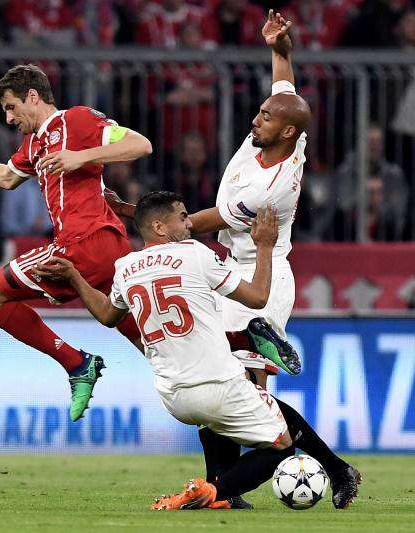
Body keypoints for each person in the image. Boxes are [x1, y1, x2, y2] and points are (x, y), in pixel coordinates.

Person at [110, 11, 359, 509]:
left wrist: (141, 216)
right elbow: (285, 89)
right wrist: (280, 50)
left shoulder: (269, 189)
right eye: (260, 112)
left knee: (243, 389)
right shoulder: (285, 133)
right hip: (229, 267)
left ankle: (333, 469)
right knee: (217, 378)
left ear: (287, 132)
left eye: (265, 117)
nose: (255, 120)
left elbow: (195, 224)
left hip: (262, 273)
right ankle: (226, 487)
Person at [35, 191, 360, 510]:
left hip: (174, 398)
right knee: (282, 445)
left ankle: (225, 484)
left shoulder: (125, 267)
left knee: (225, 409)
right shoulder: (195, 254)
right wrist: (264, 246)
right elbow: (259, 296)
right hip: (219, 385)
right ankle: (214, 491)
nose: (189, 223)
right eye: (181, 217)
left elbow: (108, 315)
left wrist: (75, 278)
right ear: (160, 227)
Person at [0, 64, 153, 422]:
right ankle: (225, 367)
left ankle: (77, 363)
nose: (9, 118)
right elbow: (4, 176)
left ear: (33, 96)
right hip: (108, 250)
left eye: (11, 107)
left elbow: (141, 144)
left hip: (81, 246)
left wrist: (81, 156)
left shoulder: (76, 120)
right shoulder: (34, 143)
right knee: (155, 347)